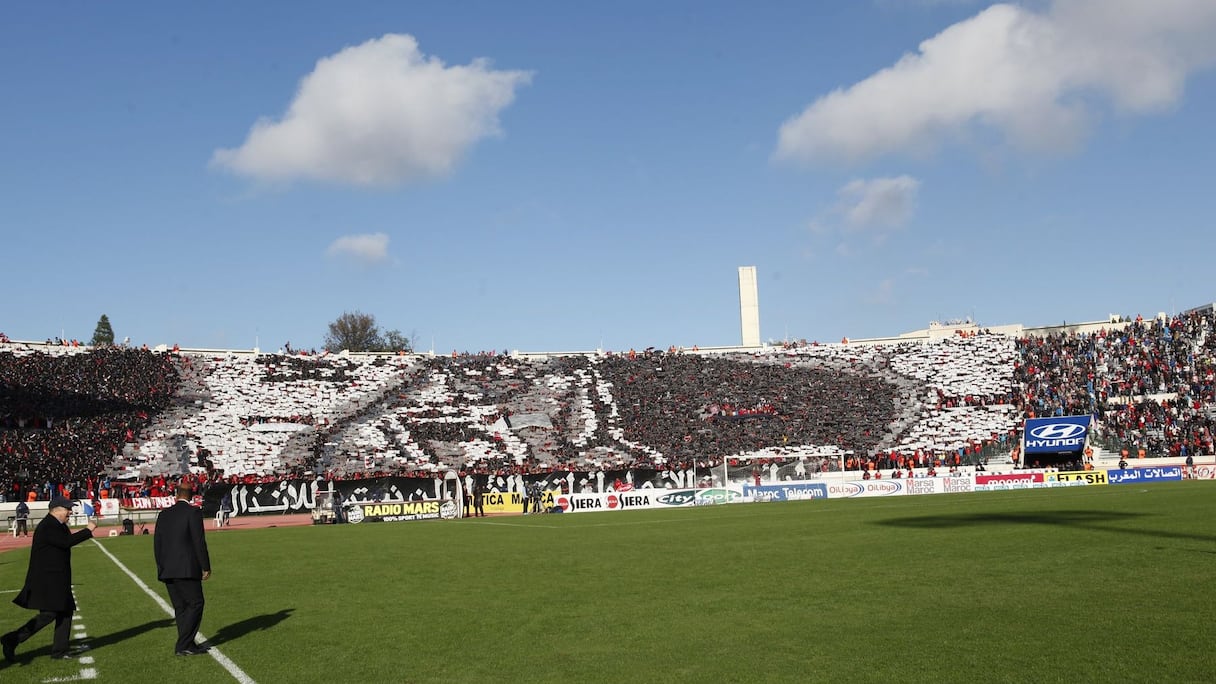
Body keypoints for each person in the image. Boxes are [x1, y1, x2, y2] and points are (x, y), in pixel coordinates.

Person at [2, 496, 97, 662]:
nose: (70, 512)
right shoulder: (48, 526)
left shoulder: (57, 525)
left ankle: (59, 651)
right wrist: (88, 530)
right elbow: (66, 542)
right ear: (56, 509)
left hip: (57, 577)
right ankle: (12, 639)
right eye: (67, 508)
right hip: (48, 579)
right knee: (49, 614)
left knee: (65, 612)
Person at [153, 484, 212, 656]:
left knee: (181, 607)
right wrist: (205, 566)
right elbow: (198, 541)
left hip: (167, 568)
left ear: (176, 495)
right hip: (187, 567)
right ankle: (184, 644)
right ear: (192, 496)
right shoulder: (193, 513)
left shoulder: (164, 514)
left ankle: (189, 643)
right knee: (196, 603)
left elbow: (158, 543)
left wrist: (161, 566)